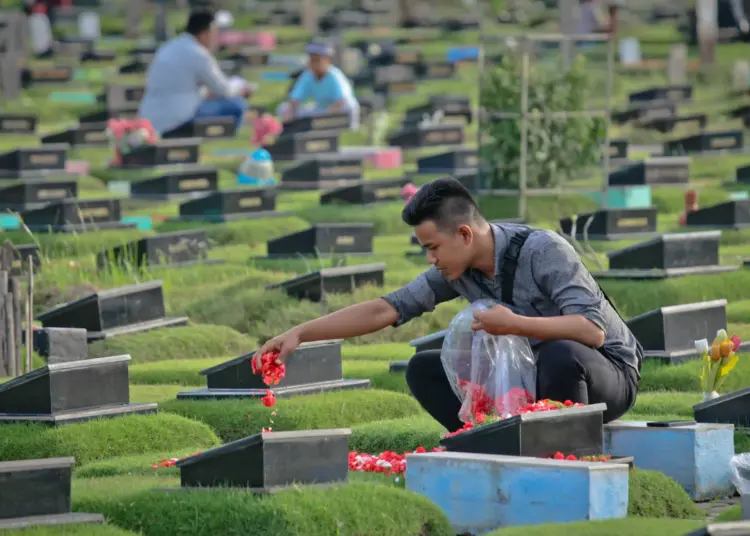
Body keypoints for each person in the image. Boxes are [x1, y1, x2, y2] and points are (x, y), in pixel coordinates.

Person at [255, 178, 642, 431]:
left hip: (605, 373)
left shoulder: (544, 250)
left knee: (561, 355)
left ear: (464, 234)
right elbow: (385, 309)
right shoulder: (458, 269)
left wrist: (515, 325)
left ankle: (567, 458)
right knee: (424, 368)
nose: (431, 259)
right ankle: (486, 443)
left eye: (433, 247)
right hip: (532, 375)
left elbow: (591, 330)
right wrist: (300, 333)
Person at [138, 10, 253, 136]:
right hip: (177, 119)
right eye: (214, 33)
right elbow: (224, 90)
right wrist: (241, 89)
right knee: (237, 104)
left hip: (149, 118)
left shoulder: (169, 46)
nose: (216, 38)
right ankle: (225, 138)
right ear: (204, 34)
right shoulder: (199, 54)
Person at [276, 42, 360, 129]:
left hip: (336, 112)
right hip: (321, 111)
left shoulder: (334, 75)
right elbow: (295, 99)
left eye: (317, 60)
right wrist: (288, 116)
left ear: (327, 60)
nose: (314, 63)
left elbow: (341, 100)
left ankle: (350, 128)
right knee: (283, 108)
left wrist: (326, 119)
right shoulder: (307, 75)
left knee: (349, 105)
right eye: (312, 60)